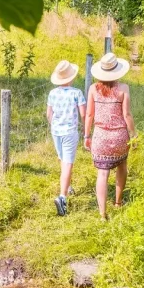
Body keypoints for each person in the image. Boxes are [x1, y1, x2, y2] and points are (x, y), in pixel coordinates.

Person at [84, 53, 136, 221]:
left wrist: (86, 135)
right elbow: (127, 115)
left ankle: (102, 214)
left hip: (100, 137)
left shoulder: (93, 89)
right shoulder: (123, 89)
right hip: (120, 136)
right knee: (122, 167)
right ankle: (118, 202)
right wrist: (134, 136)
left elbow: (89, 115)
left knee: (102, 174)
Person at [47, 60, 86, 216]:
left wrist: (54, 125)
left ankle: (68, 185)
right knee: (68, 163)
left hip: (56, 131)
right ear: (71, 77)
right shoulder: (76, 93)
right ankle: (62, 197)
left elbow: (48, 114)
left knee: (63, 159)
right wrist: (85, 128)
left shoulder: (52, 93)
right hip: (70, 131)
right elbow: (83, 113)